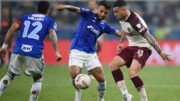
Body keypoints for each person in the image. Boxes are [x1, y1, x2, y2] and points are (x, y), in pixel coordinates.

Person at [56, 1, 126, 101]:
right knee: (75, 75)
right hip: (76, 51)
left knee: (102, 79)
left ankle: (100, 99)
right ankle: (78, 92)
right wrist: (65, 6)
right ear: (97, 8)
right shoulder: (88, 14)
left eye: (105, 13)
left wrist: (129, 32)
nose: (102, 14)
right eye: (101, 11)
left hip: (90, 54)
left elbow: (118, 33)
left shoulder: (103, 26)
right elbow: (76, 9)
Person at [110, 0, 172, 101]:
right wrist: (121, 42)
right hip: (132, 46)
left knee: (132, 74)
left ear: (124, 10)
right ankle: (126, 96)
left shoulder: (135, 21)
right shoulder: (121, 18)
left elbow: (148, 36)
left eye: (116, 12)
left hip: (143, 47)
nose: (114, 14)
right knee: (113, 65)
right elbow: (125, 31)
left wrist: (161, 53)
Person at [0, 1, 62, 101]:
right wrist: (56, 51)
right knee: (37, 78)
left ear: (36, 10)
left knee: (9, 75)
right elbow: (52, 34)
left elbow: (12, 29)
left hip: (18, 49)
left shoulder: (25, 17)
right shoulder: (50, 21)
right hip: (34, 51)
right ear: (48, 11)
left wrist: (4, 46)